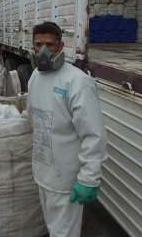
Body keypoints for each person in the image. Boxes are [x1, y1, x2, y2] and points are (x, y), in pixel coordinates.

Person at [27, 21, 108, 237]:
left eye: (49, 45)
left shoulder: (77, 82)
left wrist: (89, 179)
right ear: (32, 46)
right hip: (44, 172)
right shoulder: (35, 76)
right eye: (38, 44)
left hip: (65, 178)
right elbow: (33, 117)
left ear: (60, 46)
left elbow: (94, 135)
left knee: (63, 234)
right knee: (53, 228)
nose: (43, 50)